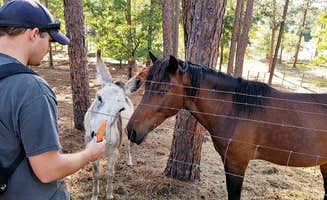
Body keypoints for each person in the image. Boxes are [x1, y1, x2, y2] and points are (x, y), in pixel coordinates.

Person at [0, 0, 106, 199]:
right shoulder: (31, 88)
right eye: (49, 40)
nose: (49, 48)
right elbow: (48, 170)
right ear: (33, 34)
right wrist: (88, 154)